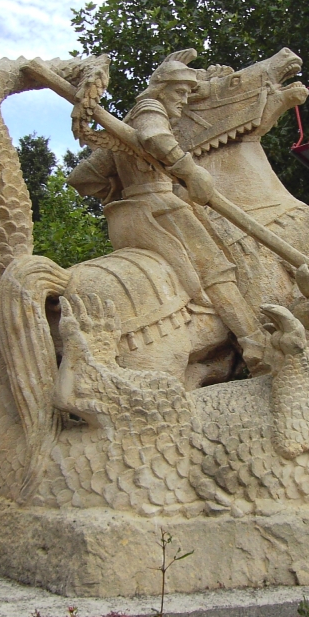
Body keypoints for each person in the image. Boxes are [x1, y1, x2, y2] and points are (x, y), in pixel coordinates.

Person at [69, 50, 270, 374]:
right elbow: (154, 135)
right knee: (216, 269)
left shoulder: (123, 131)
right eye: (179, 92)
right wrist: (189, 171)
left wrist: (127, 175)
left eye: (187, 93)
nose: (183, 100)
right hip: (160, 210)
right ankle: (256, 345)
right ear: (161, 89)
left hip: (127, 219)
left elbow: (83, 178)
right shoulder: (150, 109)